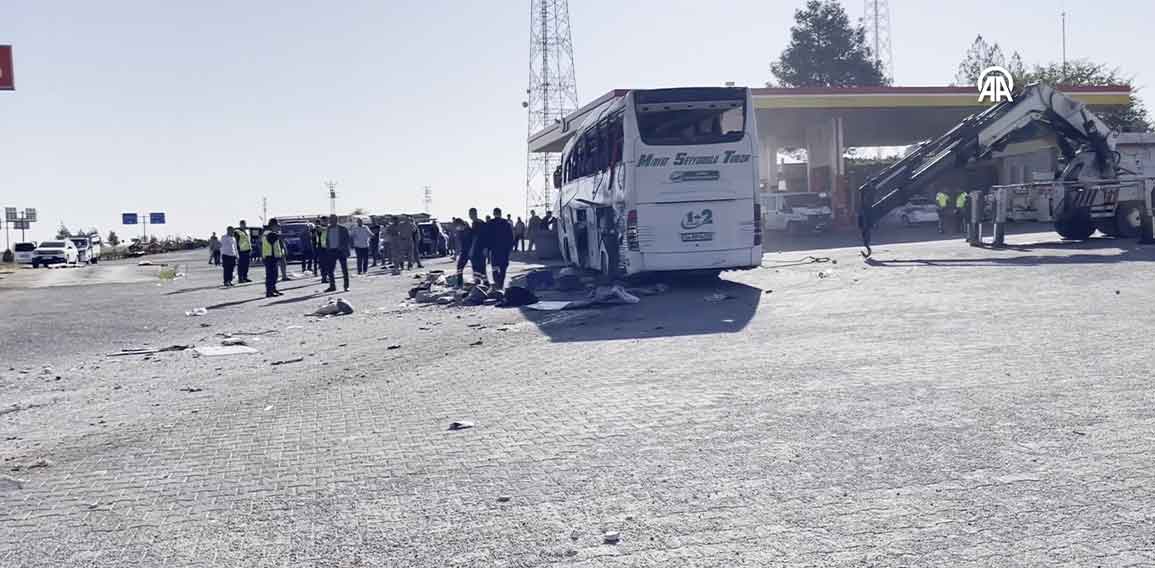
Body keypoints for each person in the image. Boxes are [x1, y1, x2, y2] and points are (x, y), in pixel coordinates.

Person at [321, 214, 351, 292]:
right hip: (331, 251)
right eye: (330, 220)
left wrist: (344, 248)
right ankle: (332, 286)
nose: (331, 221)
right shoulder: (328, 229)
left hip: (341, 251)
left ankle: (346, 286)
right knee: (330, 270)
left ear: (336, 220)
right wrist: (327, 248)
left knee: (344, 269)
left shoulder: (343, 229)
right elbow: (327, 240)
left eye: (333, 219)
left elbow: (347, 240)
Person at [488, 208, 515, 289]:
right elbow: (510, 237)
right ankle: (501, 285)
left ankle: (497, 284)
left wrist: (488, 249)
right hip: (504, 251)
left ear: (494, 214)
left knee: (495, 268)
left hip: (494, 251)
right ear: (500, 213)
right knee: (503, 269)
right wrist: (510, 248)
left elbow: (487, 237)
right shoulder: (506, 223)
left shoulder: (490, 223)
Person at [261, 218, 286, 298]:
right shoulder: (269, 233)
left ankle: (273, 289)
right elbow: (276, 237)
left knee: (274, 274)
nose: (278, 227)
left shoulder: (268, 233)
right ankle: (269, 292)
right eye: (277, 226)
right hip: (269, 256)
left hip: (271, 256)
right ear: (273, 225)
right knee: (271, 275)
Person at [469, 208, 489, 284]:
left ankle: (479, 283)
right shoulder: (481, 222)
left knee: (477, 267)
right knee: (481, 267)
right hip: (481, 249)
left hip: (477, 249)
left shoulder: (476, 223)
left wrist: (471, 250)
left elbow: (475, 237)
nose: (470, 215)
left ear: (473, 214)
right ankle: (483, 283)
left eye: (471, 214)